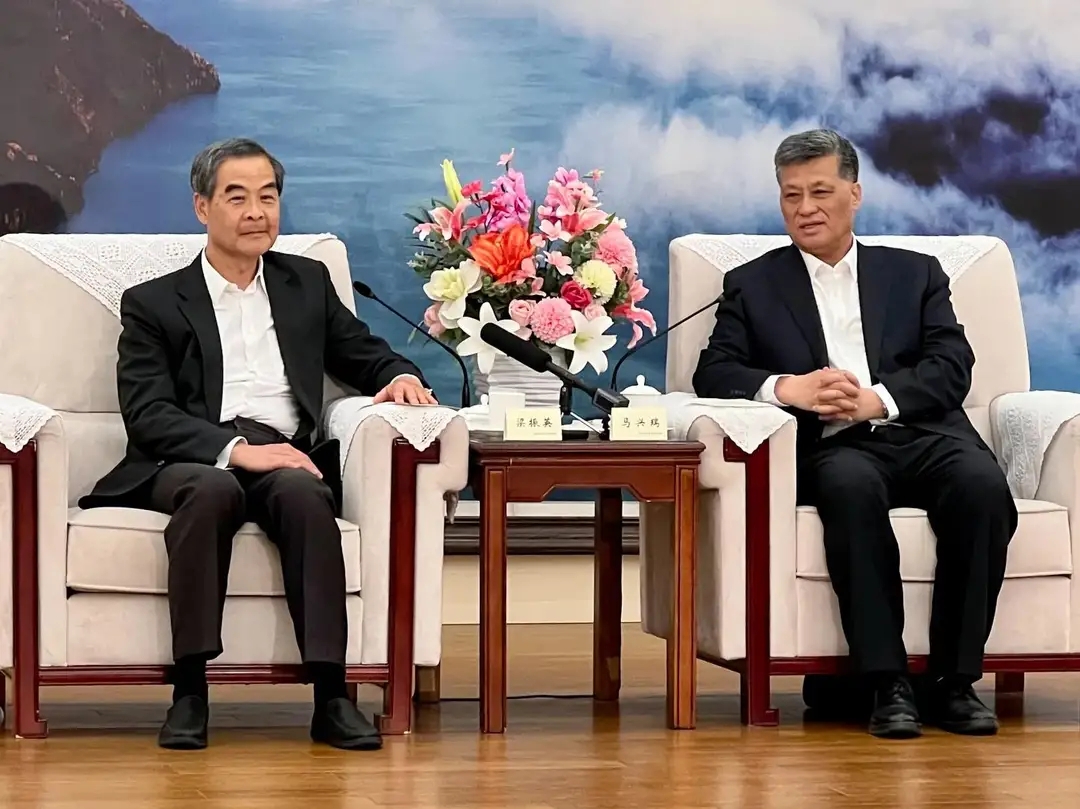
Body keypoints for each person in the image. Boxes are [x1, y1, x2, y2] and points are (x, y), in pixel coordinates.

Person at [80, 137, 436, 751]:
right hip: (189, 457)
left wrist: (399, 375)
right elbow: (148, 415)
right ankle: (190, 692)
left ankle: (333, 697)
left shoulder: (306, 283)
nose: (256, 213)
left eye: (268, 198)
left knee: (305, 494)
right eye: (237, 197)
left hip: (286, 452)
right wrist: (237, 450)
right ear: (202, 207)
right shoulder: (154, 303)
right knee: (211, 491)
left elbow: (362, 353)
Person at [692, 129, 1017, 739]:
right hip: (833, 444)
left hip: (921, 431)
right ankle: (886, 682)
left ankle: (953, 682)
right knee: (849, 490)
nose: (805, 209)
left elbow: (952, 365)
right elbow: (714, 371)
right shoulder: (752, 284)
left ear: (855, 194)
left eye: (820, 192)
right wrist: (789, 388)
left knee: (981, 488)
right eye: (791, 195)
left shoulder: (915, 274)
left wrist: (878, 399)